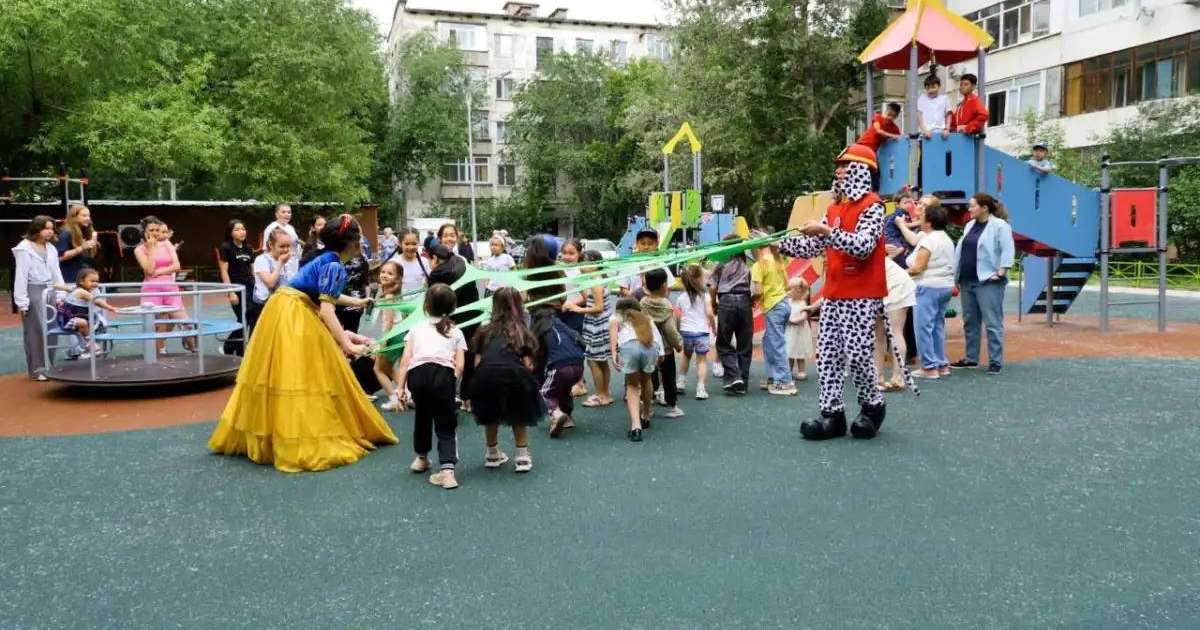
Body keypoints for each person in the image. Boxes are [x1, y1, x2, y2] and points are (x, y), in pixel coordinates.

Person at [208, 214, 399, 473]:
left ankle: (271, 434)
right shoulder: (335, 266)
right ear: (353, 243)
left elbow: (326, 294)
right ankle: (297, 438)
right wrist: (348, 344)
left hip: (284, 306)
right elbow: (327, 310)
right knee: (301, 374)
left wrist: (357, 302)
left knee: (278, 373)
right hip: (294, 312)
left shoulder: (327, 259)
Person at [778, 143, 913, 441]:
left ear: (862, 171)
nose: (839, 171)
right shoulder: (834, 208)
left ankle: (872, 408)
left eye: (846, 166)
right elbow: (813, 246)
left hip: (861, 295)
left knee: (859, 356)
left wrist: (826, 232)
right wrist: (775, 245)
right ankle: (832, 416)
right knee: (827, 356)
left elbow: (863, 246)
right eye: (838, 166)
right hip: (836, 295)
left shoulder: (873, 206)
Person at [394, 284, 466, 489]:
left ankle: (421, 458)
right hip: (442, 376)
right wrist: (452, 381)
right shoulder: (455, 331)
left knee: (422, 416)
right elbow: (460, 364)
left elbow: (406, 359)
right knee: (446, 423)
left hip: (418, 375)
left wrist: (400, 388)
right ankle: (447, 472)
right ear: (452, 307)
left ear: (426, 305)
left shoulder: (416, 329)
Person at [468, 287, 541, 472]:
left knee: (489, 413)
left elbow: (477, 362)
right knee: (519, 413)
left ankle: (492, 453)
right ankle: (522, 456)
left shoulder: (484, 331)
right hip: (514, 373)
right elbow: (528, 364)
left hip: (485, 375)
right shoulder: (521, 331)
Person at [953, 192, 1014, 375]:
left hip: (988, 281)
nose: (969, 209)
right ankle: (971, 358)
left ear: (984, 207)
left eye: (972, 206)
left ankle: (995, 361)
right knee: (970, 321)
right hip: (967, 280)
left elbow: (1007, 248)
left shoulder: (1000, 226)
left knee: (992, 322)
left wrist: (1001, 272)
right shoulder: (970, 225)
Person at [13, 216, 70, 380]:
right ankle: (37, 369)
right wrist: (22, 302)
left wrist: (60, 294)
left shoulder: (51, 248)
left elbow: (56, 272)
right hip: (34, 289)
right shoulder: (24, 248)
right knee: (35, 330)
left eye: (52, 228)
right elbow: (21, 276)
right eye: (47, 228)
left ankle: (48, 366)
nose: (50, 231)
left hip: (50, 289)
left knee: (52, 328)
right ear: (37, 229)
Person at [427, 243, 482, 408]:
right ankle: (468, 397)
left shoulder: (437, 274)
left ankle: (447, 394)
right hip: (473, 315)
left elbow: (433, 299)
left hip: (450, 320)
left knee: (446, 356)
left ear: (435, 258)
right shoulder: (461, 262)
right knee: (470, 355)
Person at [905, 203, 956, 379]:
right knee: (937, 327)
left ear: (929, 222)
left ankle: (928, 366)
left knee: (923, 327)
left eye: (923, 215)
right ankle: (941, 363)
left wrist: (898, 274)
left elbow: (918, 267)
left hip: (927, 286)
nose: (919, 217)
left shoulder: (928, 241)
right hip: (945, 286)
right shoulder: (946, 238)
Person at [133, 216, 195, 354]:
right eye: (151, 230)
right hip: (151, 291)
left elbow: (177, 265)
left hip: (170, 288)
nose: (154, 232)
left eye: (157, 229)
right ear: (144, 231)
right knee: (156, 327)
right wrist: (152, 250)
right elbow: (148, 270)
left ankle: (192, 349)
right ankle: (156, 355)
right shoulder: (139, 249)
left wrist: (159, 272)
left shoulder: (167, 244)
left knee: (187, 323)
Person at [530, 291, 586, 438]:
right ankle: (567, 417)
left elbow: (539, 357)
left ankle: (556, 413)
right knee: (563, 387)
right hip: (579, 364)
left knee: (545, 392)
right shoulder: (560, 323)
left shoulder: (540, 328)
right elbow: (580, 340)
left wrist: (535, 376)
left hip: (561, 365)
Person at [609, 298, 664, 442]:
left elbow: (614, 340)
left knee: (632, 386)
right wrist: (660, 354)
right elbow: (657, 338)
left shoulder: (616, 318)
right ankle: (645, 415)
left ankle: (636, 426)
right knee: (647, 381)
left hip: (629, 348)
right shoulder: (646, 318)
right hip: (650, 348)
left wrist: (614, 355)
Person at [709, 234, 754, 395]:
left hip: (726, 300)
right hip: (744, 301)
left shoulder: (720, 263)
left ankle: (734, 376)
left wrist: (714, 303)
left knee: (723, 342)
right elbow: (750, 284)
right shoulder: (745, 264)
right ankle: (743, 380)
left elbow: (712, 286)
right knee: (745, 343)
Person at [752, 238, 795, 396]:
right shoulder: (777, 261)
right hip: (784, 304)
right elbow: (787, 285)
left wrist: (753, 300)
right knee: (769, 341)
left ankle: (784, 382)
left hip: (773, 306)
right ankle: (773, 377)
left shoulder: (759, 264)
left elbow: (757, 291)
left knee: (776, 343)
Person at [641, 268, 684, 419]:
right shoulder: (666, 306)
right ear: (664, 285)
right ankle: (672, 406)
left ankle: (647, 405)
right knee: (668, 377)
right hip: (665, 349)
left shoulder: (643, 303)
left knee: (648, 376)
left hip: (648, 346)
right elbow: (670, 330)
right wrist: (678, 344)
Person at [577, 250, 614, 408]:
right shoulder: (596, 280)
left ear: (595, 265)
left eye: (584, 263)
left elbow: (597, 308)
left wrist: (577, 309)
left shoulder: (596, 283)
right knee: (601, 361)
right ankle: (605, 393)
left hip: (597, 325)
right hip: (599, 324)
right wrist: (580, 287)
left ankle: (601, 395)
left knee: (593, 361)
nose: (581, 266)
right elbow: (590, 300)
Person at [56, 268, 118, 358]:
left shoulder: (77, 288)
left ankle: (85, 347)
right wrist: (111, 308)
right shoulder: (81, 292)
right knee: (83, 322)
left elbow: (63, 287)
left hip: (80, 316)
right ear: (81, 281)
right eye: (92, 281)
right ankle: (90, 344)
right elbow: (97, 301)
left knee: (97, 322)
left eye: (97, 281)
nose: (95, 284)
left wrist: (58, 286)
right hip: (68, 318)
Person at [675, 264, 715, 400]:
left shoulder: (681, 297)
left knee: (686, 356)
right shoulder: (705, 295)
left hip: (686, 332)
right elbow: (710, 313)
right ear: (699, 279)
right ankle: (700, 388)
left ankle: (681, 381)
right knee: (702, 360)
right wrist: (713, 326)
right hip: (702, 332)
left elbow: (678, 315)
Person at [372, 261, 407, 412]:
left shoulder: (389, 297)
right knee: (389, 368)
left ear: (397, 279)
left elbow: (389, 320)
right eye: (383, 272)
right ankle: (406, 395)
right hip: (399, 334)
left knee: (378, 369)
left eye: (390, 273)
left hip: (392, 335)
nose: (384, 275)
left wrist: (384, 341)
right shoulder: (392, 294)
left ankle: (394, 399)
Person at [877, 257, 915, 392]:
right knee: (877, 334)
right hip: (878, 285)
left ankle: (898, 377)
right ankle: (878, 377)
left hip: (896, 284)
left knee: (895, 331)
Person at [217, 220, 255, 355]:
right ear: (230, 232)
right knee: (243, 318)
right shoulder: (226, 248)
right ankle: (228, 346)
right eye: (237, 229)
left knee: (250, 317)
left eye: (243, 229)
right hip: (236, 288)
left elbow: (252, 269)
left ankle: (238, 349)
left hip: (250, 287)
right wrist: (230, 292)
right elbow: (224, 271)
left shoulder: (248, 248)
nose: (242, 232)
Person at [250, 228, 295, 333]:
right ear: (271, 245)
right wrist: (280, 263)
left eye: (288, 246)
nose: (285, 250)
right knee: (260, 335)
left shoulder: (286, 260)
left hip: (279, 304)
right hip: (262, 306)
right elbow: (270, 283)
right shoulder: (261, 260)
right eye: (282, 246)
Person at [617, 227, 673, 299]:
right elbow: (623, 288)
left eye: (650, 244)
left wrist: (655, 300)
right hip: (634, 306)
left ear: (656, 245)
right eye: (643, 243)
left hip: (655, 305)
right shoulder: (629, 264)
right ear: (637, 244)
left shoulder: (661, 264)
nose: (646, 247)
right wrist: (636, 299)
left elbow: (668, 288)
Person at [57, 204, 99, 284]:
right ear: (74, 217)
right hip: (70, 279)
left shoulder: (86, 232)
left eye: (88, 216)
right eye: (84, 216)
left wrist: (94, 243)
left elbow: (90, 257)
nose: (88, 218)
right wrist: (81, 248)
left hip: (84, 278)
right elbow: (61, 257)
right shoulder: (66, 233)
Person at [785, 277, 815, 382]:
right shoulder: (787, 301)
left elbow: (804, 316)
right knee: (789, 351)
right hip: (790, 331)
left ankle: (801, 370)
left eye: (790, 289)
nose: (788, 292)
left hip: (800, 330)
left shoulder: (802, 303)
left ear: (798, 291)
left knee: (800, 350)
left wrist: (794, 320)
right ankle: (788, 370)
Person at [262, 203, 301, 274]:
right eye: (283, 212)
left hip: (293, 263)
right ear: (276, 214)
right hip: (277, 264)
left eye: (289, 212)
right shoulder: (271, 228)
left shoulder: (291, 228)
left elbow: (296, 244)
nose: (287, 214)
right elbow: (266, 249)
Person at [389, 228, 430, 295]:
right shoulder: (393, 263)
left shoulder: (425, 262)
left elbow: (429, 284)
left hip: (418, 303)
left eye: (414, 244)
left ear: (418, 243)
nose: (411, 247)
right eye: (407, 244)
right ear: (399, 243)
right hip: (399, 303)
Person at [917, 74, 949, 140]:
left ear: (939, 86)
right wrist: (924, 130)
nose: (930, 90)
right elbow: (919, 116)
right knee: (926, 150)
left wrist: (947, 129)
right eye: (928, 88)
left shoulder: (944, 99)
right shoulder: (922, 98)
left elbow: (948, 115)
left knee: (940, 150)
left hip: (941, 133)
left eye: (933, 87)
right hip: (926, 133)